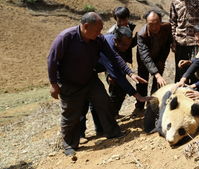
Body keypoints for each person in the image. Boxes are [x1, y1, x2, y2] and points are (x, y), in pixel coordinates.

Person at [47, 12, 148, 156]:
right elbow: (51, 60)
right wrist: (53, 84)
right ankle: (70, 144)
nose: (100, 33)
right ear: (86, 26)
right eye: (98, 30)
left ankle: (112, 132)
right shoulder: (66, 38)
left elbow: (113, 56)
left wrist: (130, 72)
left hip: (90, 78)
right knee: (71, 114)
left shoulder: (98, 39)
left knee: (103, 102)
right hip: (69, 82)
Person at [80, 26, 152, 139]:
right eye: (123, 45)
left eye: (128, 45)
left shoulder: (117, 44)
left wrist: (131, 73)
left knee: (97, 99)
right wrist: (138, 96)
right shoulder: (108, 44)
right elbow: (117, 75)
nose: (126, 48)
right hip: (81, 71)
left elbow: (118, 61)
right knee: (83, 103)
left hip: (92, 71)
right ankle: (79, 135)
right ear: (115, 40)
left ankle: (101, 129)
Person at [135, 10, 172, 115]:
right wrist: (156, 74)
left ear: (160, 22)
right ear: (146, 23)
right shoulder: (141, 35)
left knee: (158, 83)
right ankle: (139, 106)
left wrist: (162, 60)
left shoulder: (167, 27)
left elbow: (167, 45)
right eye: (151, 25)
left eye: (157, 24)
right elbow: (145, 56)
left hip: (159, 57)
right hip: (144, 61)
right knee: (142, 81)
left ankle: (152, 105)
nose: (154, 27)